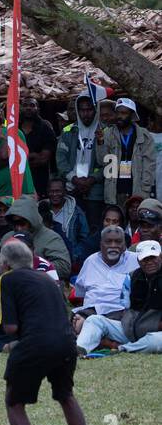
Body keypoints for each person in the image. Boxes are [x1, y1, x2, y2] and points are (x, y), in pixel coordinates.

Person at [0, 240, 97, 425]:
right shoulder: (46, 279)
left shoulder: (6, 279)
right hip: (66, 343)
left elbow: (11, 328)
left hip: (36, 343)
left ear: (4, 264)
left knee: (14, 401)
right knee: (66, 395)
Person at [76, 239, 162, 355]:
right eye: (145, 259)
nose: (149, 262)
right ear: (138, 260)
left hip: (155, 333)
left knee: (155, 341)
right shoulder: (132, 277)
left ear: (160, 256)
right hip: (130, 330)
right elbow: (124, 306)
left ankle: (121, 349)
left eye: (153, 258)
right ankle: (79, 349)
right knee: (95, 320)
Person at [70, 225, 137, 332]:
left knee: (127, 322)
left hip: (120, 312)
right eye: (108, 241)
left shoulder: (135, 261)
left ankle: (92, 333)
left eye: (118, 241)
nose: (113, 245)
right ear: (101, 244)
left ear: (124, 245)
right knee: (78, 319)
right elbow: (80, 293)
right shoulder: (90, 261)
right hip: (92, 311)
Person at [56, 93, 104, 231]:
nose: (86, 114)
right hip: (72, 188)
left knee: (94, 228)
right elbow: (61, 160)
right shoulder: (68, 131)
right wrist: (74, 179)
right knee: (73, 228)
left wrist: (92, 179)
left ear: (96, 110)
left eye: (89, 109)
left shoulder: (105, 131)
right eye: (82, 110)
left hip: (96, 190)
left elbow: (110, 162)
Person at [97, 97, 156, 206]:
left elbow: (149, 165)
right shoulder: (108, 134)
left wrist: (145, 190)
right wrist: (100, 143)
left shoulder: (144, 135)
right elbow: (102, 162)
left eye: (124, 113)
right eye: (118, 112)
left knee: (135, 220)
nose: (120, 116)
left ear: (132, 115)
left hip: (137, 190)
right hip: (114, 190)